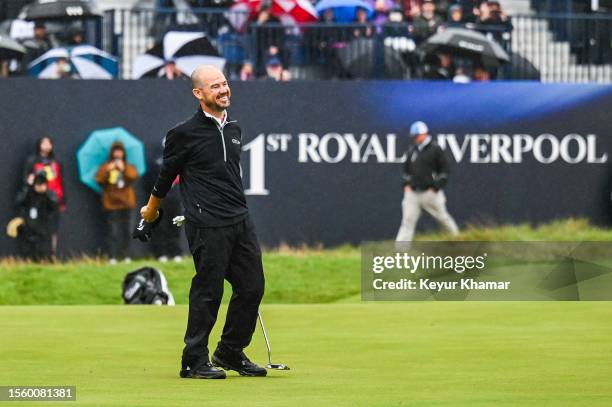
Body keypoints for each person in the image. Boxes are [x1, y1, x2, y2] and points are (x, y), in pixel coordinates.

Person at [139, 65, 266, 379]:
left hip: (239, 218)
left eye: (224, 84)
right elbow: (166, 177)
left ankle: (230, 351)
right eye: (214, 86)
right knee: (208, 291)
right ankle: (193, 360)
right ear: (198, 94)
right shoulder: (184, 133)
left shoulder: (234, 128)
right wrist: (151, 211)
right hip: (206, 222)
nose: (223, 90)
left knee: (252, 287)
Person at [396, 121, 459, 243]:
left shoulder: (435, 150)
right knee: (407, 223)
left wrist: (435, 187)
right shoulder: (412, 150)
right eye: (413, 136)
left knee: (443, 218)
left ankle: (459, 242)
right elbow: (406, 170)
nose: (415, 138)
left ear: (424, 134)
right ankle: (400, 254)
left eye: (417, 135)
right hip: (412, 194)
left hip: (430, 194)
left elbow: (444, 170)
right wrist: (406, 185)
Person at [95, 141, 139, 264]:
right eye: (115, 151)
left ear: (123, 153)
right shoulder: (106, 166)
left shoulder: (128, 166)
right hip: (111, 203)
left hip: (127, 203)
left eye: (120, 151)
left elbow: (133, 177)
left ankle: (126, 256)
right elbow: (98, 179)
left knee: (128, 231)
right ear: (112, 153)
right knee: (112, 232)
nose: (118, 153)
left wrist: (123, 169)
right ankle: (112, 256)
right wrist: (107, 170)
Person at [23, 136, 66, 257]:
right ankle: (34, 254)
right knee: (35, 228)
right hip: (36, 200)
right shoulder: (32, 161)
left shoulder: (56, 162)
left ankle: (51, 253)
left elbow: (61, 181)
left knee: (52, 228)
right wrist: (30, 183)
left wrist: (62, 200)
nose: (47, 146)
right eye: (44, 143)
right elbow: (26, 179)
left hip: (52, 199)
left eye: (49, 143)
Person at [14, 171, 58, 261]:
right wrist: (29, 187)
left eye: (42, 183)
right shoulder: (29, 193)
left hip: (44, 230)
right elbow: (19, 202)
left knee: (45, 255)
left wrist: (45, 192)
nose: (39, 185)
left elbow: (54, 205)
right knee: (28, 255)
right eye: (37, 182)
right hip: (29, 229)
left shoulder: (50, 194)